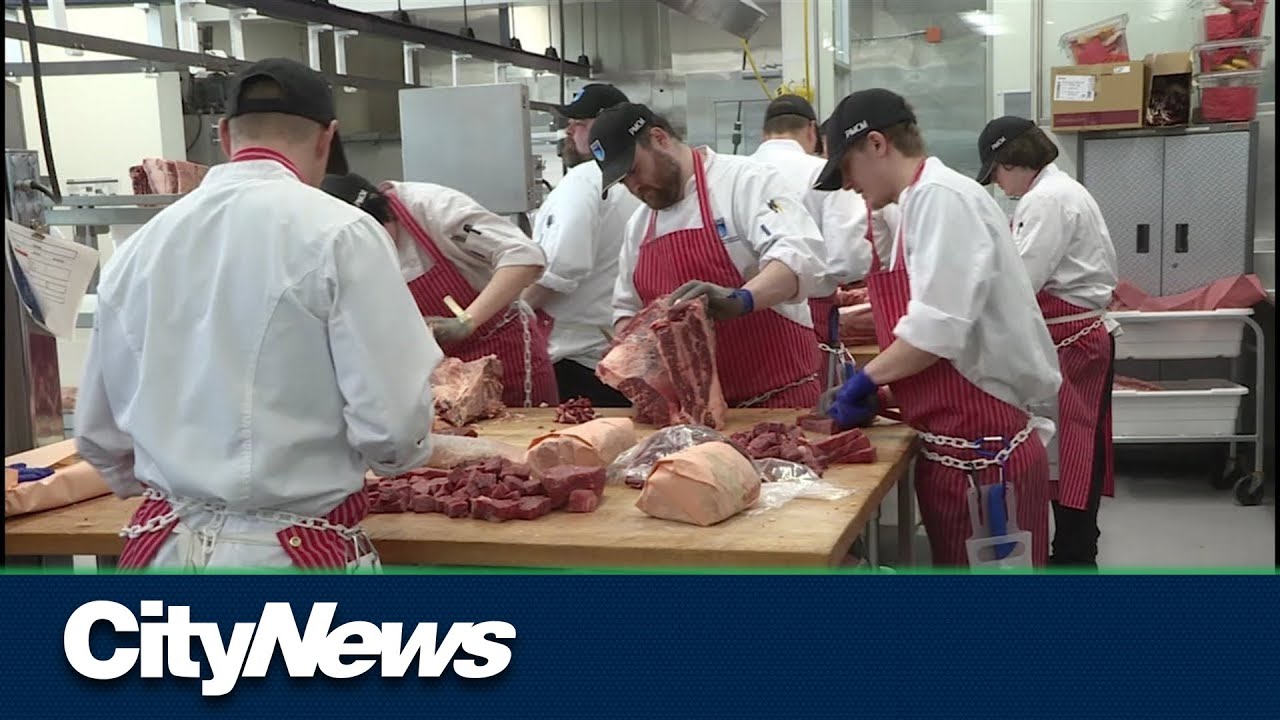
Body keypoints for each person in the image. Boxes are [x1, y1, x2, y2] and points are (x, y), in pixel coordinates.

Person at [74, 58, 441, 571]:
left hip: (162, 550)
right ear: (325, 139)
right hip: (287, 558)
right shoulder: (342, 232)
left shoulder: (141, 246)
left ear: (224, 135)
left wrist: (187, 482)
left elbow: (97, 436)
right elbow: (393, 430)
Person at [817, 89, 1062, 567]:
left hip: (987, 465)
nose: (846, 184)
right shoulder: (915, 204)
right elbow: (960, 338)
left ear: (876, 144)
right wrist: (891, 395)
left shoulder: (940, 198)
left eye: (846, 168)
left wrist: (868, 378)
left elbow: (938, 329)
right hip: (959, 457)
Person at [591, 102, 831, 409]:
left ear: (659, 138)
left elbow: (799, 256)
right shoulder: (639, 226)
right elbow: (626, 309)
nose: (634, 186)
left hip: (779, 403)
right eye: (623, 182)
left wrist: (742, 299)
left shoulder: (745, 181)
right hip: (692, 416)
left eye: (634, 170)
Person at [977, 116, 1119, 567]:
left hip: (1072, 342)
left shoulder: (1047, 200)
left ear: (1012, 161)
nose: (999, 185)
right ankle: (1075, 549)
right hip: (1071, 338)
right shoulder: (1060, 192)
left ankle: (1076, 557)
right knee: (1074, 449)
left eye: (996, 173)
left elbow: (1020, 282)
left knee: (1074, 450)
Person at [321, 173, 558, 409]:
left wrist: (466, 321)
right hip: (437, 383)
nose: (377, 248)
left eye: (380, 235)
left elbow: (524, 255)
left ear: (385, 213)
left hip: (506, 355)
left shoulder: (432, 207)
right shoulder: (338, 252)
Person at [522, 84, 641, 406]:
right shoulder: (643, 179)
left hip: (575, 357)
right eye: (570, 123)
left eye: (581, 124)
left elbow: (560, 269)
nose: (569, 131)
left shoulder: (586, 179)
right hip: (621, 354)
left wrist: (506, 311)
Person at [750, 94, 873, 368]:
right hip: (810, 317)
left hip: (745, 321)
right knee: (807, 402)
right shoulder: (822, 173)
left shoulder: (737, 176)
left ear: (763, 134)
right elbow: (850, 261)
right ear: (811, 131)